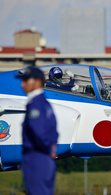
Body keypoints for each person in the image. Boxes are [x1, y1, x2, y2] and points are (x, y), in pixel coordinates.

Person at [16, 66, 59, 195]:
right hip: (45, 159)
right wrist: (51, 148)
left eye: (26, 80)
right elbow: (54, 131)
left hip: (36, 157)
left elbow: (37, 131)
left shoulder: (35, 105)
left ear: (37, 82)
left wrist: (46, 148)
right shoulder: (45, 104)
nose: (22, 84)